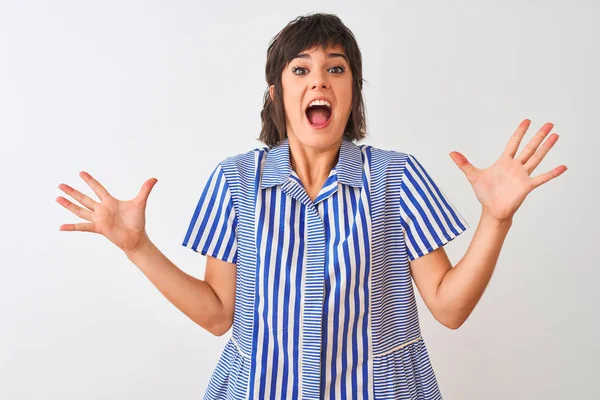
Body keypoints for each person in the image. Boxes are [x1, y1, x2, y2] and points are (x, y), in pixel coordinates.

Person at [56, 12, 567, 400]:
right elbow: (217, 315)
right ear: (278, 93)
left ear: (352, 93)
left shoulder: (397, 177)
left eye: (335, 69)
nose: (318, 80)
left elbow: (449, 308)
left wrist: (496, 219)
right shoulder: (235, 182)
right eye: (301, 69)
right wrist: (137, 246)